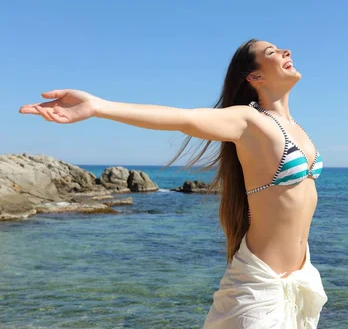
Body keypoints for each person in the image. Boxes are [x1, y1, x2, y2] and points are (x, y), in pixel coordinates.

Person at [18, 39, 328, 328]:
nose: (286, 51)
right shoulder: (248, 121)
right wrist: (99, 106)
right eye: (272, 52)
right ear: (254, 77)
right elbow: (182, 118)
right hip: (261, 287)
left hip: (300, 281)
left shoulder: (296, 127)